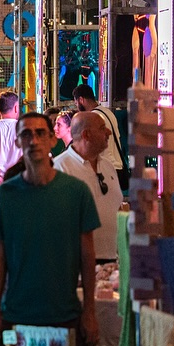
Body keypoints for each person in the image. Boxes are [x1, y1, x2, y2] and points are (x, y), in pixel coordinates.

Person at [0, 113, 101, 346]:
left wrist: (90, 310)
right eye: (26, 134)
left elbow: (88, 256)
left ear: (52, 139)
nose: (34, 140)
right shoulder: (4, 196)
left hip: (64, 313)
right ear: (17, 141)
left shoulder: (76, 192)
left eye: (40, 133)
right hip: (16, 313)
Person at [53, 112, 125, 261]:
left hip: (112, 260)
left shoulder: (108, 166)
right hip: (77, 262)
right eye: (102, 128)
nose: (109, 132)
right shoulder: (59, 168)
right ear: (86, 135)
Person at [73, 84, 126, 182]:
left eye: (76, 103)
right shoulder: (108, 112)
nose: (77, 107)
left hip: (107, 168)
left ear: (81, 100)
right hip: (117, 165)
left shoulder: (93, 117)